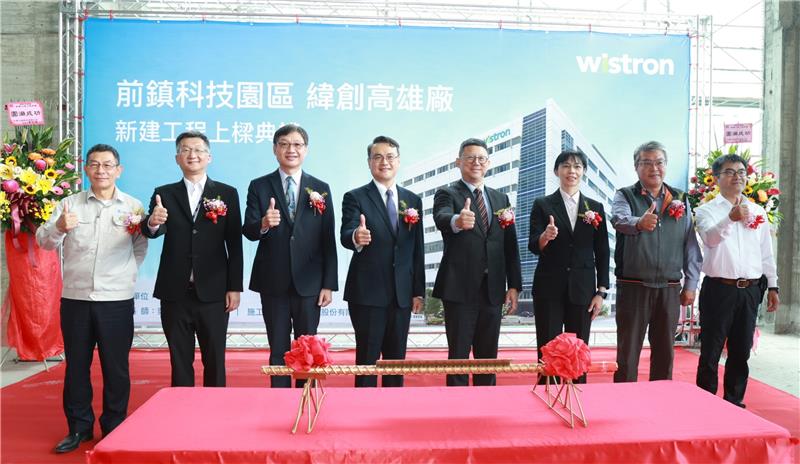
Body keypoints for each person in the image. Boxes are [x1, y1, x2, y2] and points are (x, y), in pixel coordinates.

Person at [37, 144, 147, 453]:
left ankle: (113, 426)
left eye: (108, 165)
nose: (101, 171)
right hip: (76, 299)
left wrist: (124, 274)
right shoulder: (69, 205)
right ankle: (79, 428)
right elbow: (43, 242)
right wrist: (59, 227)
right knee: (76, 367)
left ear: (118, 170)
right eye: (95, 165)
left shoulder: (133, 207)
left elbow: (140, 247)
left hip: (116, 300)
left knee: (116, 368)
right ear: (86, 169)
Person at [142, 131, 243, 388]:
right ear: (177, 158)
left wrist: (234, 287)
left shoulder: (226, 193)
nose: (192, 155)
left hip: (214, 292)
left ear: (209, 157)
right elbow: (152, 230)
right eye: (185, 150)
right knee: (180, 359)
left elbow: (234, 243)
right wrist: (153, 223)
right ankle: (182, 411)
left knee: (215, 359)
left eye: (198, 149)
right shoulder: (163, 193)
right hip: (175, 291)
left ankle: (216, 411)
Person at [242, 124, 338, 388]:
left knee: (309, 348)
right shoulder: (259, 186)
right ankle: (279, 401)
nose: (290, 149)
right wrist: (263, 222)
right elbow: (248, 229)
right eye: (284, 144)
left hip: (310, 283)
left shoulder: (321, 188)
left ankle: (307, 400)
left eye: (297, 144)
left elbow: (327, 239)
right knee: (279, 348)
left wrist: (328, 283)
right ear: (275, 150)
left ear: (305, 150)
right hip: (273, 282)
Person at [432, 137, 522, 386]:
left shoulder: (500, 199)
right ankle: (456, 411)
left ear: (489, 163)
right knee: (458, 357)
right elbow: (442, 217)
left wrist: (514, 285)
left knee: (488, 358)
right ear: (458, 162)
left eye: (481, 158)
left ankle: (485, 408)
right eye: (470, 157)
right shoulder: (447, 193)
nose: (476, 162)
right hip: (459, 289)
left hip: (492, 289)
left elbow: (509, 244)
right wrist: (457, 222)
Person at [610, 141, 702, 383]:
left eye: (659, 162)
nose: (654, 168)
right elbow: (619, 219)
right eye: (646, 163)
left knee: (664, 352)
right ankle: (624, 404)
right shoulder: (625, 195)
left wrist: (691, 284)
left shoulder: (680, 198)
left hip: (670, 288)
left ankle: (660, 403)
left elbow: (690, 244)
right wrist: (639, 223)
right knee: (627, 353)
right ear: (636, 167)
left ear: (666, 165)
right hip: (633, 286)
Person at [694, 154, 779, 407]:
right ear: (717, 178)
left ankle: (734, 401)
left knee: (741, 351)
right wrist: (729, 218)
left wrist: (773, 285)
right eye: (730, 172)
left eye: (741, 172)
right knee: (711, 349)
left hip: (750, 290)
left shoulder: (757, 211)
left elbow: (766, 253)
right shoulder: (705, 211)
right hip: (719, 288)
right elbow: (709, 239)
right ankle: (705, 403)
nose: (737, 176)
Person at [340, 136, 425, 387]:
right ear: (369, 163)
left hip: (401, 295)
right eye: (377, 157)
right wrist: (357, 235)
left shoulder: (412, 201)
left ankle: (392, 414)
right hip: (367, 294)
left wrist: (418, 291)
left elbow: (416, 249)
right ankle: (364, 415)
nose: (384, 162)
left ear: (398, 161)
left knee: (395, 363)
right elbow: (346, 232)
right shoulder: (355, 197)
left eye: (389, 156)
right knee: (366, 361)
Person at [529, 149, 610, 383]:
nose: (571, 171)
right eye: (565, 166)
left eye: (577, 166)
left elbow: (602, 251)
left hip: (583, 290)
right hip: (549, 288)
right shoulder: (542, 204)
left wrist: (601, 291)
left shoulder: (595, 207)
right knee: (548, 347)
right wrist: (545, 236)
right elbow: (533, 244)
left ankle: (578, 394)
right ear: (557, 171)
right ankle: (546, 392)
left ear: (583, 172)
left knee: (579, 348)